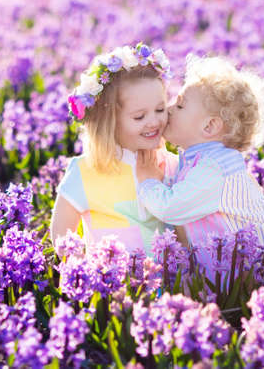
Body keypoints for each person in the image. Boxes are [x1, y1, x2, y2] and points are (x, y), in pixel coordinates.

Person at [136, 55, 264, 268]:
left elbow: (171, 208)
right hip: (236, 270)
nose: (170, 108)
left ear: (209, 126)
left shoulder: (213, 169)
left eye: (181, 105)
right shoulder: (204, 161)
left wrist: (148, 182)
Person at [50, 43, 179, 256]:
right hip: (110, 284)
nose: (154, 121)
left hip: (167, 285)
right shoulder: (85, 171)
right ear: (109, 121)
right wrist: (86, 275)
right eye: (139, 116)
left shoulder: (171, 164)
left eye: (160, 109)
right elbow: (63, 238)